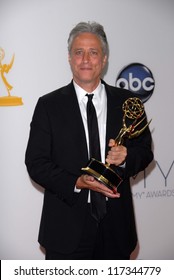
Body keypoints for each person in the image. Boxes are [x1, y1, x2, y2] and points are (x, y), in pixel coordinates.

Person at [25, 21, 153, 260]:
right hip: (65, 229)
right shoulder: (48, 105)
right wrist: (77, 181)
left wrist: (126, 157)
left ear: (104, 59)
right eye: (79, 52)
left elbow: (145, 152)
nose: (86, 59)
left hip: (116, 228)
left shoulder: (128, 102)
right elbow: (36, 162)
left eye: (93, 52)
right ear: (69, 58)